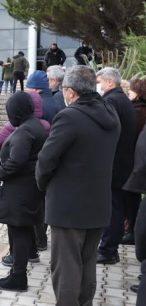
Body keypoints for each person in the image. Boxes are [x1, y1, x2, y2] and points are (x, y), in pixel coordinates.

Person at [36, 66, 120, 306]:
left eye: (63, 89)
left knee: (66, 268)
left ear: (71, 92)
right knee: (86, 263)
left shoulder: (69, 116)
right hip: (98, 204)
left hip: (68, 207)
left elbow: (46, 159)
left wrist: (43, 185)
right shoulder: (110, 112)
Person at [0, 91, 48, 291]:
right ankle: (18, 271)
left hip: (19, 190)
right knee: (22, 229)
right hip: (29, 187)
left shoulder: (24, 131)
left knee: (19, 231)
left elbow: (16, 161)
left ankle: (18, 276)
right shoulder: (36, 126)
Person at [96, 68, 136, 264]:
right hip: (123, 162)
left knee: (113, 207)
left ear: (110, 82)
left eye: (100, 82)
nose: (99, 86)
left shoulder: (111, 101)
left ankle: (108, 250)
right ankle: (109, 247)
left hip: (114, 164)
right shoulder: (123, 100)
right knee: (116, 205)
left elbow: (106, 132)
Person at [123, 79, 146, 246]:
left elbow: (132, 137)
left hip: (134, 160)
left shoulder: (138, 112)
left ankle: (131, 230)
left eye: (132, 90)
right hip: (137, 160)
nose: (129, 93)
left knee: (131, 196)